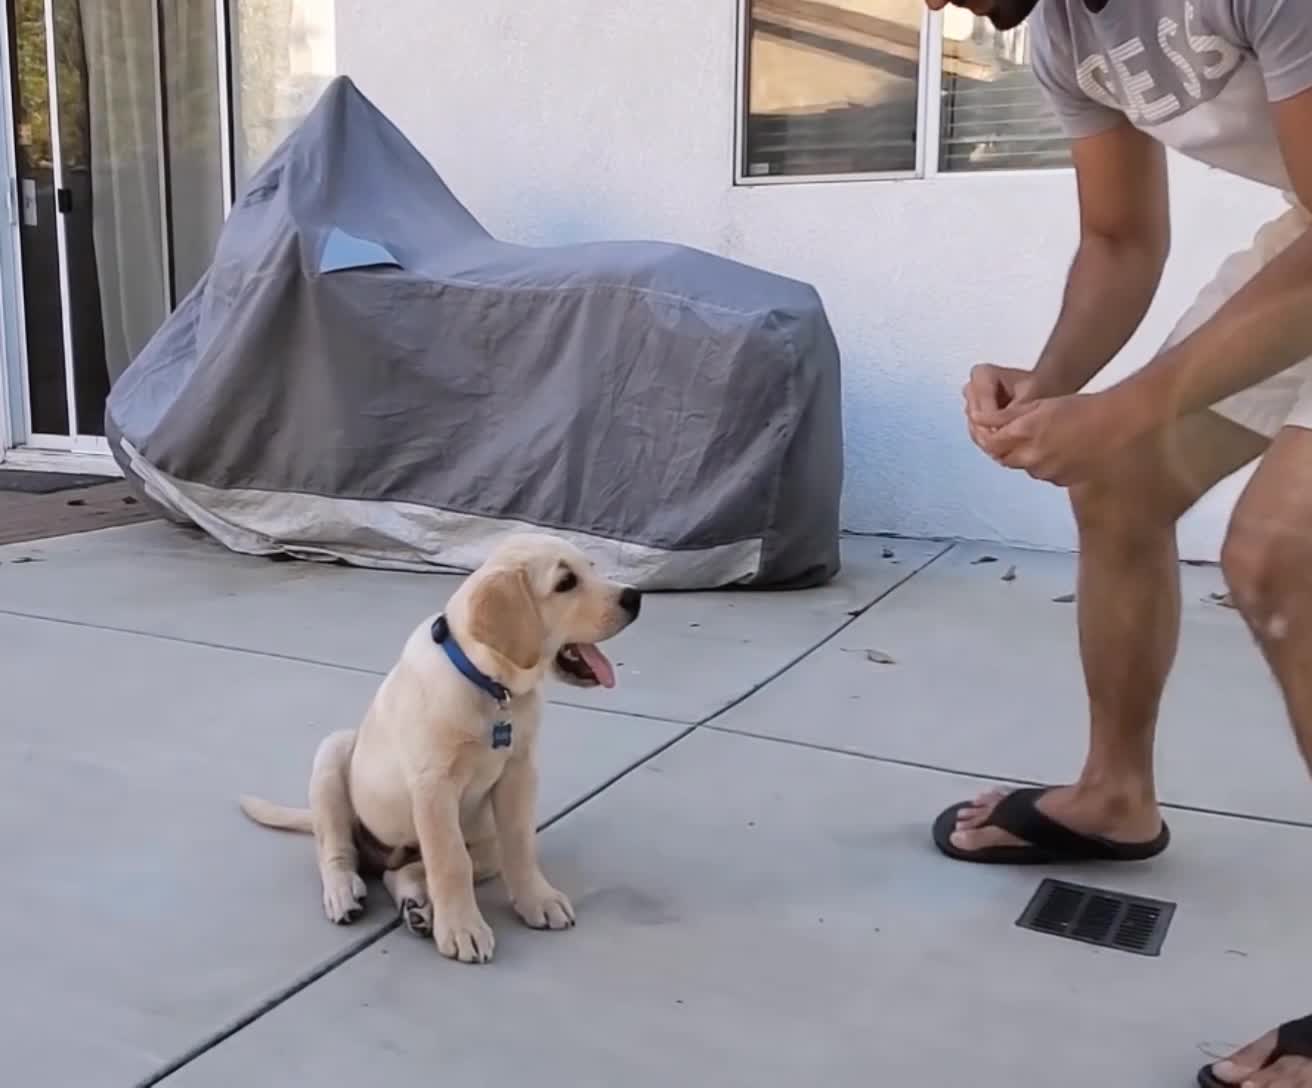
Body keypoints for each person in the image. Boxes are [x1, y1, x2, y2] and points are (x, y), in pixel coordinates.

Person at [922, 1, 1312, 1085]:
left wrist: (1131, 401)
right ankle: (1113, 794)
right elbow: (1119, 238)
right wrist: (1048, 394)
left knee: (1284, 555)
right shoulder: (1060, 39)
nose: (933, 7)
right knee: (1118, 477)